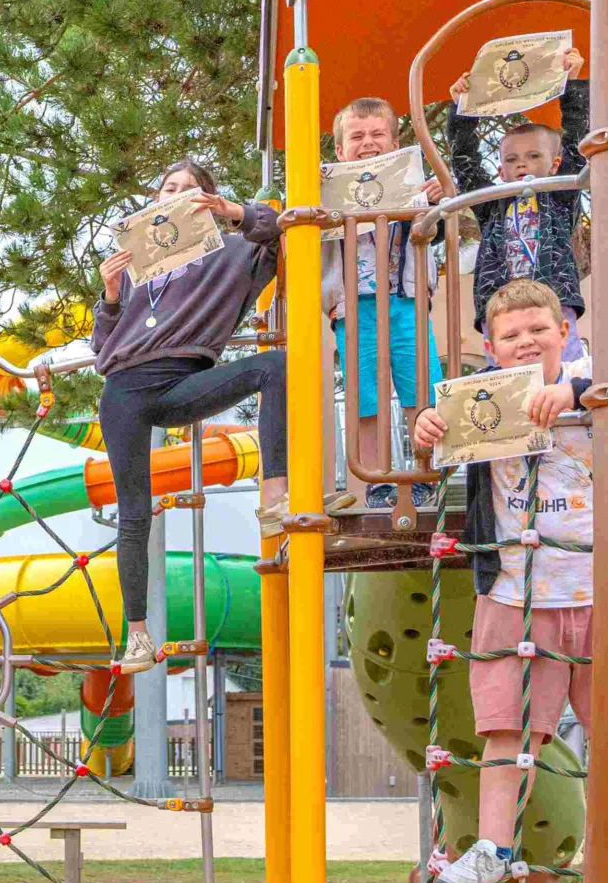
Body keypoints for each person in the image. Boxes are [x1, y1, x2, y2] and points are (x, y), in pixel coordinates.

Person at [409, 280, 608, 883]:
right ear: (491, 347)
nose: (525, 343)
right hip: (516, 591)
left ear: (564, 331)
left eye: (538, 330)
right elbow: (432, 457)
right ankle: (492, 850)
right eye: (510, 335)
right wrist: (424, 429)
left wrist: (579, 394)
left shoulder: (604, 382)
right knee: (507, 730)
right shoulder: (480, 398)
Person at [92, 160, 290, 673]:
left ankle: (274, 495)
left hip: (182, 380)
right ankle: (138, 635)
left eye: (190, 189)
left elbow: (280, 231)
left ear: (205, 200)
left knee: (274, 366)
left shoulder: (231, 251)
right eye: (168, 188)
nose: (176, 194)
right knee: (134, 513)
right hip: (124, 389)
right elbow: (101, 349)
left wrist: (232, 212)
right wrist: (109, 297)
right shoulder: (136, 264)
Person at [321, 96, 442, 509]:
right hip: (354, 304)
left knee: (420, 387)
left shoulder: (412, 186)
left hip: (406, 297)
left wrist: (435, 202)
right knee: (365, 395)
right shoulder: (328, 191)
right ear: (340, 150)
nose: (368, 143)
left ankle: (424, 473)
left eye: (377, 134)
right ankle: (377, 479)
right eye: (357, 137)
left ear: (395, 144)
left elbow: (435, 232)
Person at [446, 48, 590, 332]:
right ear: (501, 172)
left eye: (533, 156)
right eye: (511, 160)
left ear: (555, 165)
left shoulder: (560, 194)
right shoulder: (492, 204)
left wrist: (572, 83)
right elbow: (465, 163)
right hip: (501, 307)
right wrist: (462, 109)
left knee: (560, 358)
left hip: (554, 301)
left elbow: (576, 145)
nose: (522, 163)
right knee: (507, 359)